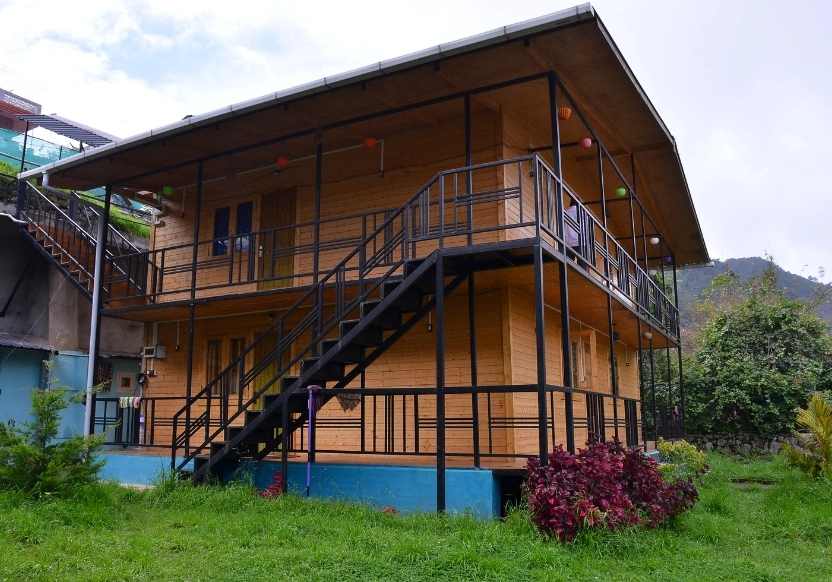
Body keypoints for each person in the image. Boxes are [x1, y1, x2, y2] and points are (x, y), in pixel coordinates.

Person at [564, 200, 585, 269]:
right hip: (582, 242)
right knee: (582, 267)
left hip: (568, 242)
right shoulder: (584, 214)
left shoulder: (566, 213)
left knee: (567, 266)